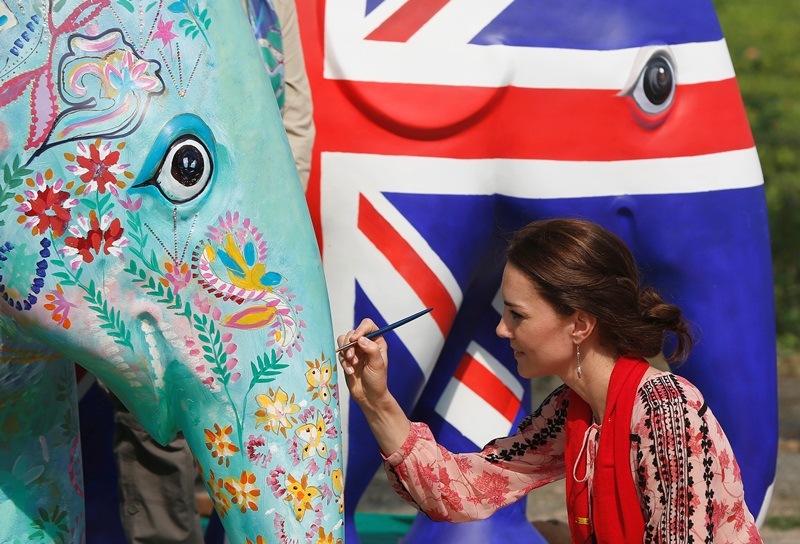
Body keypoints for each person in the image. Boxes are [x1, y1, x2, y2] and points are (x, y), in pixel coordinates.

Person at [336, 218, 763, 543]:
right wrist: (376, 399)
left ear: (579, 324)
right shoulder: (571, 410)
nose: (502, 330)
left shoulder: (665, 411)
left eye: (517, 315)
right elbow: (463, 491)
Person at [107, 1, 315, 542]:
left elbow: (293, 120)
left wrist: (271, 230)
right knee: (153, 407)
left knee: (261, 401)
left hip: (249, 246)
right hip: (156, 228)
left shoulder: (268, 6)